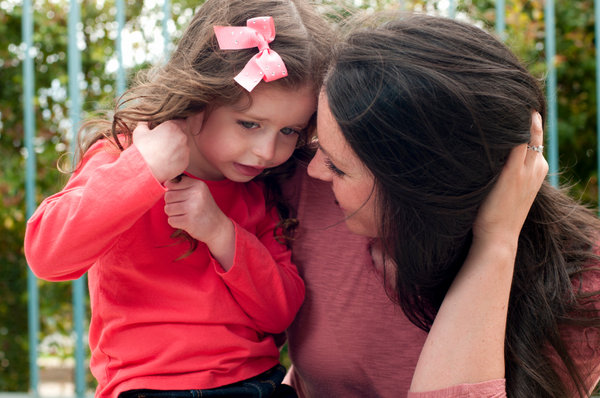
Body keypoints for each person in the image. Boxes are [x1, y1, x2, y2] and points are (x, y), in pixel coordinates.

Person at [24, 1, 332, 397]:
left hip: (254, 384)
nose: (267, 151)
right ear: (201, 96)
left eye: (289, 131)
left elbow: (279, 315)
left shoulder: (262, 189)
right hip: (147, 387)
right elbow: (48, 255)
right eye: (249, 124)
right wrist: (145, 169)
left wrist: (222, 233)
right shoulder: (124, 158)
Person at [283, 13, 600, 398]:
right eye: (319, 146)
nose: (314, 170)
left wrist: (494, 246)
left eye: (337, 166)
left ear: (419, 192)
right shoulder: (303, 191)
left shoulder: (580, 289)